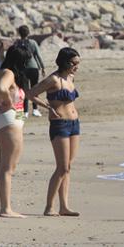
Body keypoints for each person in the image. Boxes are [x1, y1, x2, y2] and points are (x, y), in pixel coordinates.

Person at [26, 47, 81, 217]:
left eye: (78, 63)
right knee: (62, 167)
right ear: (65, 62)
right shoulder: (53, 80)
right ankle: (49, 206)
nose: (77, 67)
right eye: (74, 63)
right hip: (59, 125)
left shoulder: (70, 77)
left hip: (74, 124)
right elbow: (31, 93)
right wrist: (48, 106)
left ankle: (64, 206)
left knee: (68, 167)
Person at [0, 44, 31, 218]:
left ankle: (5, 207)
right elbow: (1, 87)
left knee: (4, 167)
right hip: (9, 121)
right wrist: (7, 101)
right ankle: (6, 209)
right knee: (7, 168)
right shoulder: (9, 73)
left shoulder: (2, 71)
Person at [15, 25, 46, 118]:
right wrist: (43, 67)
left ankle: (25, 112)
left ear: (19, 33)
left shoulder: (17, 43)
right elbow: (38, 56)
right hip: (33, 68)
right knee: (34, 89)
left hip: (22, 69)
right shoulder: (33, 42)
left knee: (24, 91)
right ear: (28, 33)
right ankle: (35, 110)